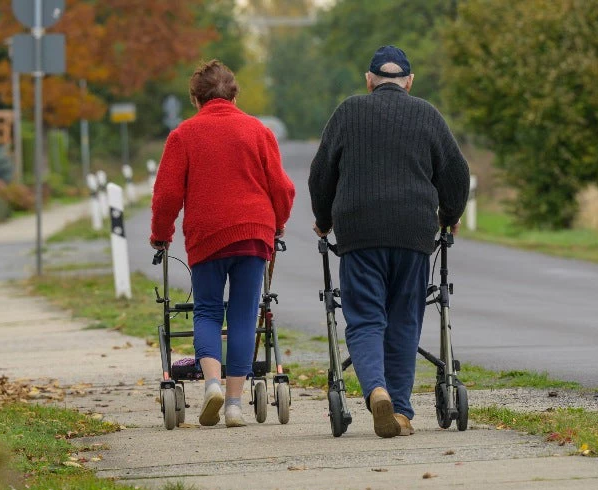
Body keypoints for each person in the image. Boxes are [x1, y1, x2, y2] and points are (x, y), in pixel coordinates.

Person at [308, 46, 470, 438]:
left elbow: (321, 174)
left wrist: (324, 219)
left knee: (365, 318)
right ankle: (399, 410)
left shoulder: (348, 112)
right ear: (409, 82)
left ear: (369, 80)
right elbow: (456, 173)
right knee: (404, 318)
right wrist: (449, 216)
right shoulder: (427, 114)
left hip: (359, 232)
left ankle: (374, 389)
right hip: (413, 232)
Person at [150, 59, 295, 428]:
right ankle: (233, 404)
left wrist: (160, 235)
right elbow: (281, 187)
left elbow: (166, 195)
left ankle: (211, 382)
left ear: (196, 99)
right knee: (245, 314)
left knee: (209, 311)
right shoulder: (257, 131)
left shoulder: (183, 135)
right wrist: (278, 224)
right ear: (233, 94)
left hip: (207, 235)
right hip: (253, 232)